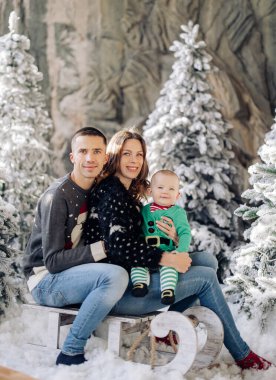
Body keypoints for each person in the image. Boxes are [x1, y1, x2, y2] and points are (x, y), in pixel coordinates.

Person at [84, 129, 272, 371]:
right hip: (121, 290)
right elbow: (119, 248)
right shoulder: (112, 194)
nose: (133, 160)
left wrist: (172, 239)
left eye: (139, 154)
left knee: (207, 260)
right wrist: (166, 259)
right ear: (114, 156)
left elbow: (141, 239)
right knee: (204, 277)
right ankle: (242, 354)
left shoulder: (127, 192)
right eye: (126, 153)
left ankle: (166, 328)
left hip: (132, 274)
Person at [22, 127, 130, 366]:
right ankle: (71, 350)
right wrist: (104, 248)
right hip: (45, 280)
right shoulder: (57, 197)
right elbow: (52, 261)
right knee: (115, 276)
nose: (90, 158)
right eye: (83, 151)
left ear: (105, 158)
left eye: (96, 151)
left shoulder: (96, 188)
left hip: (73, 273)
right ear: (73, 157)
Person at [131, 169, 191, 305]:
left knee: (169, 269)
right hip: (147, 252)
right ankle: (140, 284)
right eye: (160, 187)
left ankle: (168, 290)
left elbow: (185, 233)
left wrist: (181, 251)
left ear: (177, 195)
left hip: (167, 252)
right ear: (150, 191)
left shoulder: (178, 212)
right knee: (138, 265)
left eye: (171, 189)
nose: (165, 191)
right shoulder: (144, 210)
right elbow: (138, 231)